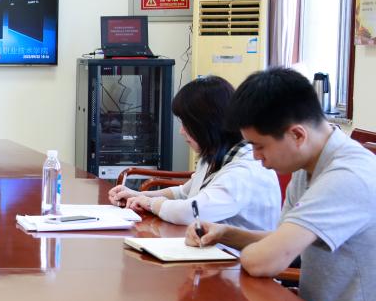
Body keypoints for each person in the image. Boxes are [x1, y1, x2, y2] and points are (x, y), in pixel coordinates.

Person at [189, 67, 376, 301]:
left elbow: (264, 260)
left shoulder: (346, 176)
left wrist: (257, 252)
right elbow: (282, 239)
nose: (256, 157)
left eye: (259, 146)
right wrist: (225, 233)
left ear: (297, 135)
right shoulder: (309, 164)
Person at [109, 76, 280, 231]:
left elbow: (190, 212)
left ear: (208, 125)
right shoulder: (214, 154)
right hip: (207, 246)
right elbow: (184, 192)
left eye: (187, 124)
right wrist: (139, 195)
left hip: (234, 255)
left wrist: (149, 203)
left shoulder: (245, 170)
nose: (181, 132)